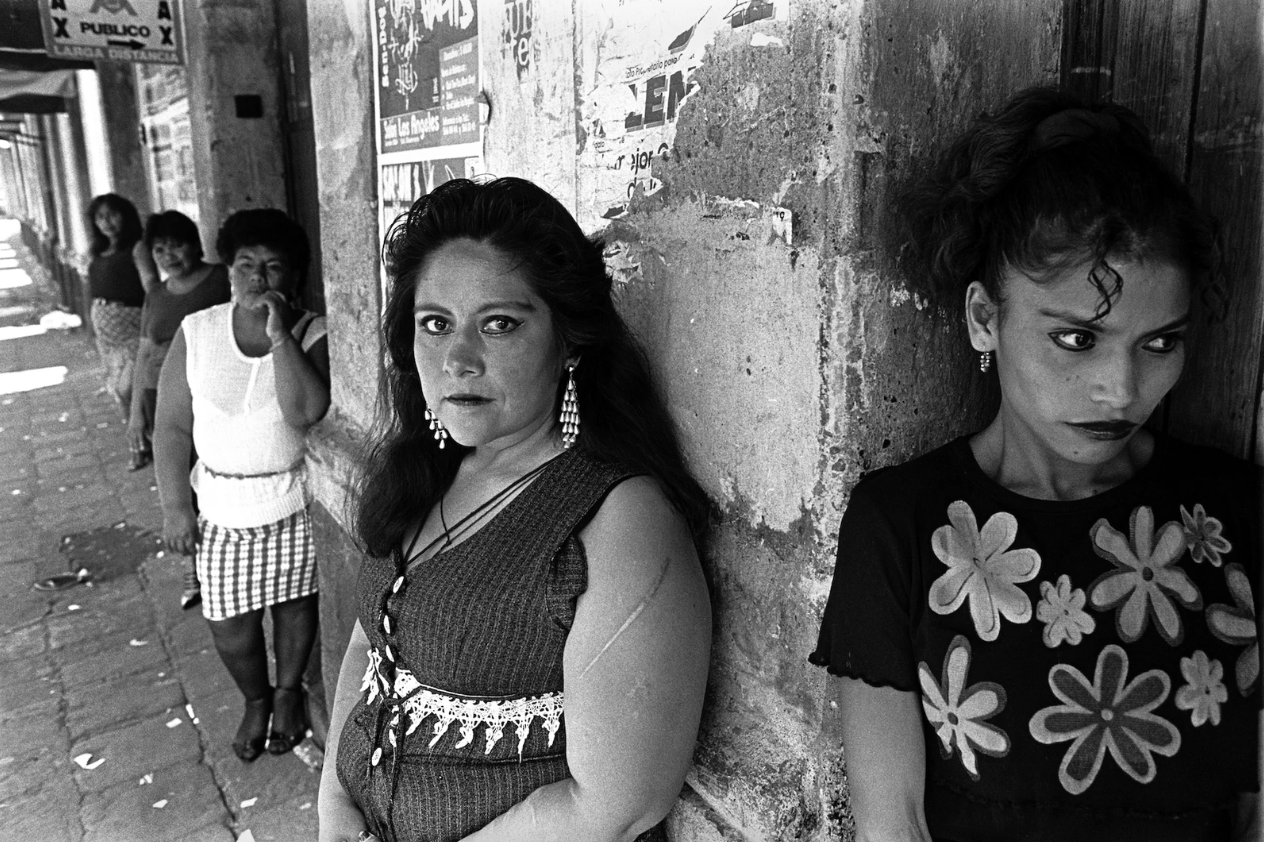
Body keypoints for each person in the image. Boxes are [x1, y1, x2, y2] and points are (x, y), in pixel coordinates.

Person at [810, 87, 1260, 842]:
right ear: (986, 317)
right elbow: (896, 827)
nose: (1121, 390)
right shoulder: (904, 526)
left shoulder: (1237, 515)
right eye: (1078, 340)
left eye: (1160, 343)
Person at [317, 177, 712, 842]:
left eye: (499, 324)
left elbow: (614, 807)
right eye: (434, 324)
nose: (458, 359)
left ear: (571, 341)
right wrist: (334, 809)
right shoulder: (426, 473)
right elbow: (370, 643)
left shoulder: (618, 521)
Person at [154, 208, 330, 762]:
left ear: (292, 278)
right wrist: (175, 508)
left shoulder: (312, 331)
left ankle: (286, 695)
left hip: (290, 505)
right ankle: (255, 698)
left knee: (295, 609)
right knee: (230, 625)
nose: (258, 278)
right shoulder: (197, 332)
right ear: (227, 270)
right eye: (246, 265)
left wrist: (281, 336)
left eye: (274, 267)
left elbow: (305, 411)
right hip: (222, 511)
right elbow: (171, 426)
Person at [131, 211, 231, 610]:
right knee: (176, 485)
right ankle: (194, 570)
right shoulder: (156, 295)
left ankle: (216, 563)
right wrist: (137, 413)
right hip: (164, 400)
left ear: (194, 243)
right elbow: (144, 351)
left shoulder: (222, 279)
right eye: (159, 249)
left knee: (208, 483)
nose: (168, 254)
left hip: (208, 399)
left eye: (176, 244)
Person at [86, 193, 147, 468]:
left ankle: (148, 439)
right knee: (118, 391)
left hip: (134, 329)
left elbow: (150, 288)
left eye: (112, 214)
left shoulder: (137, 248)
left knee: (129, 389)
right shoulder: (97, 253)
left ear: (126, 214)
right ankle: (137, 445)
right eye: (100, 217)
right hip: (106, 334)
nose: (107, 222)